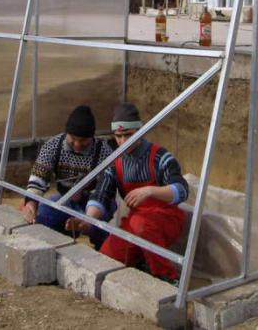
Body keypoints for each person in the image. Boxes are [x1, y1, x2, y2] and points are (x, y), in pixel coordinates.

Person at [66, 102, 188, 282]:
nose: (123, 142)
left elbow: (182, 190)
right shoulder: (116, 162)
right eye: (118, 136)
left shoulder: (160, 157)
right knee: (108, 256)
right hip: (137, 220)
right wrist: (87, 219)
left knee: (141, 224)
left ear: (140, 131)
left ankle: (167, 276)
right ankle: (140, 260)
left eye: (128, 135)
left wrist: (150, 191)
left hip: (166, 219)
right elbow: (101, 194)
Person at [21, 104, 114, 249]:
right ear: (66, 133)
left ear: (92, 137)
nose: (77, 145)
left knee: (102, 228)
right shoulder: (53, 146)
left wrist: (88, 215)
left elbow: (107, 190)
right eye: (73, 139)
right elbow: (38, 177)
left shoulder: (104, 152)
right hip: (66, 200)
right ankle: (54, 245)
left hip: (96, 203)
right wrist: (31, 204)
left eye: (83, 141)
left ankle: (103, 250)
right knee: (44, 214)